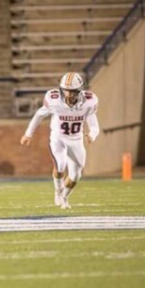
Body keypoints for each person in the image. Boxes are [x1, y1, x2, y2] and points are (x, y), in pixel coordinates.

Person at [20, 72, 100, 209]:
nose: (68, 94)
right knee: (61, 164)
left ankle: (64, 197)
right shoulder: (54, 99)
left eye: (72, 91)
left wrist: (92, 135)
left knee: (76, 176)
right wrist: (28, 134)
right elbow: (39, 114)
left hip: (76, 139)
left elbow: (94, 126)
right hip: (58, 137)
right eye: (66, 90)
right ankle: (58, 191)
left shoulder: (89, 102)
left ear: (80, 90)